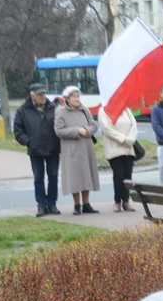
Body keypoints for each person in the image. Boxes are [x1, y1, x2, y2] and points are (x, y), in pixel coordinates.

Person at [14, 83, 61, 217]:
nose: (43, 96)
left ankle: (52, 204)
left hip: (53, 148)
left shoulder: (53, 107)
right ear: (32, 95)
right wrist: (28, 141)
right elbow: (18, 130)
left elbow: (60, 125)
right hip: (35, 150)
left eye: (44, 93)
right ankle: (41, 205)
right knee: (38, 178)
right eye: (40, 94)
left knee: (53, 176)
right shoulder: (23, 110)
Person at [53, 86, 100, 215]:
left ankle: (86, 204)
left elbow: (94, 126)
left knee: (86, 175)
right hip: (71, 149)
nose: (77, 99)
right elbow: (59, 131)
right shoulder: (60, 112)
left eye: (78, 96)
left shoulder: (85, 110)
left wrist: (87, 130)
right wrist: (77, 131)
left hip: (86, 147)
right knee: (75, 177)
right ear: (67, 99)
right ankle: (76, 205)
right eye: (74, 96)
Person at [98, 106, 138, 213]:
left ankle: (126, 201)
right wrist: (123, 139)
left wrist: (130, 139)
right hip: (114, 148)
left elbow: (134, 125)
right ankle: (117, 202)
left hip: (128, 148)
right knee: (118, 176)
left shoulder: (126, 109)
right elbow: (107, 129)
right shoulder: (103, 111)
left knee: (128, 175)